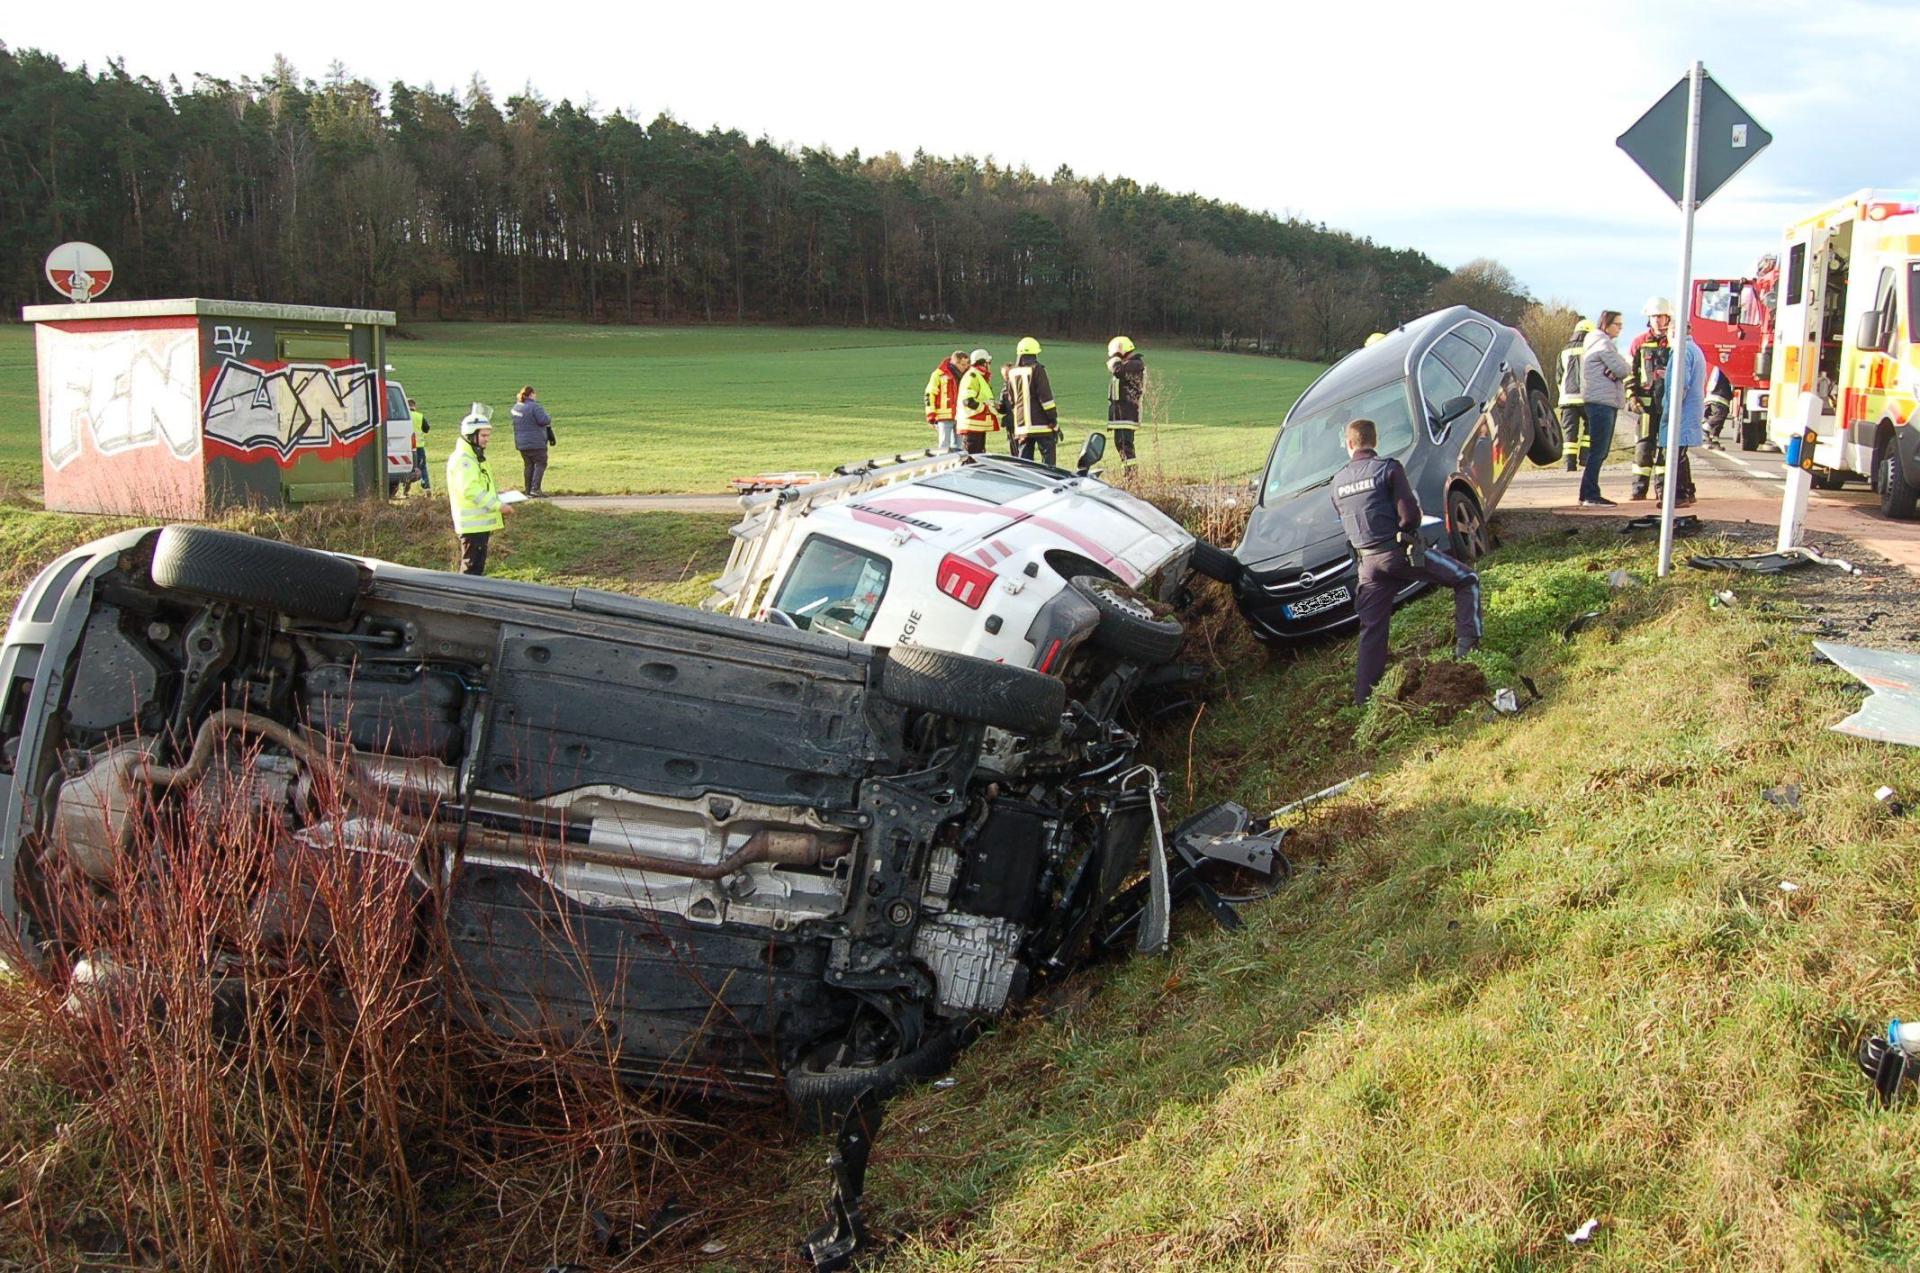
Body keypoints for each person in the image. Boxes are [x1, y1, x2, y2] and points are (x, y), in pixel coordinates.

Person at [1330, 417, 1481, 706]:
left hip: (1367, 567)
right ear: (1374, 441)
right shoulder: (1388, 469)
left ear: (1349, 444)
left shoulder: (1337, 482)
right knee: (1467, 580)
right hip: (1398, 554)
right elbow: (1410, 516)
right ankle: (1468, 651)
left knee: (1372, 631)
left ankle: (1363, 701)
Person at [1577, 311, 1630, 507]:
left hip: (1599, 401)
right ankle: (1590, 494)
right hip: (1602, 402)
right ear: (1606, 325)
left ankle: (1587, 492)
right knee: (1599, 450)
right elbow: (1624, 370)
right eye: (1617, 324)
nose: (1620, 328)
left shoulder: (1596, 344)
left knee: (1598, 450)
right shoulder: (1603, 344)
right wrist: (1618, 369)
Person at [447, 404, 507, 576]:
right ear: (471, 435)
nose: (487, 439)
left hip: (478, 525)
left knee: (474, 570)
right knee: (471, 571)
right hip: (472, 526)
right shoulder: (464, 460)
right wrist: (498, 505)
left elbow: (481, 486)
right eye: (483, 435)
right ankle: (463, 602)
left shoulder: (473, 457)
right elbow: (471, 490)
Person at [1626, 297, 1674, 500]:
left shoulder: (1674, 342)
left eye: (1661, 316)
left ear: (1668, 318)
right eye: (1654, 316)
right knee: (1644, 447)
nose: (1657, 320)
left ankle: (1662, 489)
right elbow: (1630, 372)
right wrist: (1631, 395)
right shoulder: (1639, 342)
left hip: (1668, 405)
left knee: (1665, 447)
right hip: (1646, 405)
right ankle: (1639, 488)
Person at [1659, 334, 1706, 507]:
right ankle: (1688, 490)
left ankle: (1678, 495)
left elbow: (1680, 384)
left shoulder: (1682, 351)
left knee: (1674, 452)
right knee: (1680, 452)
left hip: (1682, 409)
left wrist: (1671, 408)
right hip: (1690, 408)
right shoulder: (1693, 349)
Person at [1000, 336, 1060, 465]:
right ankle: (1049, 480)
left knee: (1024, 461)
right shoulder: (1037, 369)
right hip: (1041, 424)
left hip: (1022, 425)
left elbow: (1011, 399)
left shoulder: (1012, 373)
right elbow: (1045, 397)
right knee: (1048, 459)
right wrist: (1053, 418)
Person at [1557, 319, 1594, 473]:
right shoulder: (1592, 349)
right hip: (1588, 397)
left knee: (1569, 433)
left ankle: (1569, 464)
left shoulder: (1563, 351)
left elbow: (1559, 376)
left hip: (1567, 399)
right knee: (1590, 429)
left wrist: (1562, 393)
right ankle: (1585, 459)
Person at [510, 385, 554, 498]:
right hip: (536, 442)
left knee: (528, 465)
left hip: (521, 443)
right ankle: (536, 489)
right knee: (540, 463)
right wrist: (549, 416)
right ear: (531, 394)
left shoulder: (516, 407)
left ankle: (528, 490)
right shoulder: (535, 407)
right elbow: (544, 420)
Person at [1107, 336, 1144, 467]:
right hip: (1121, 414)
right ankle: (1129, 475)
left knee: (1125, 445)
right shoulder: (1129, 365)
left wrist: (1115, 360)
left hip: (1127, 414)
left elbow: (1117, 370)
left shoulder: (1135, 364)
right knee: (1121, 444)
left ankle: (1131, 477)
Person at [955, 350, 1001, 454]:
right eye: (989, 363)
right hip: (972, 424)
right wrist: (985, 408)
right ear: (984, 363)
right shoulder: (972, 376)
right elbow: (968, 401)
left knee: (978, 456)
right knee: (971, 457)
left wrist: (992, 405)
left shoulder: (978, 376)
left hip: (977, 425)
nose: (990, 366)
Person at [924, 349, 967, 452]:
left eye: (966, 364)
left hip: (960, 416)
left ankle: (957, 467)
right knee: (944, 447)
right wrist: (931, 414)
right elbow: (929, 394)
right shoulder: (938, 374)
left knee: (959, 447)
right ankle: (943, 467)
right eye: (963, 364)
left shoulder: (967, 374)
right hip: (944, 416)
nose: (966, 367)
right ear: (955, 363)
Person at [1703, 366, 1734, 450]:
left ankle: (1714, 440)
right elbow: (1714, 379)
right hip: (1718, 395)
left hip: (1719, 395)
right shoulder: (1720, 368)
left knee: (1720, 421)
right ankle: (1706, 428)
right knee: (1720, 415)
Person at [407, 397, 431, 494]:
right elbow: (426, 429)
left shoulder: (404, 416)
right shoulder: (419, 416)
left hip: (407, 447)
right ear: (414, 406)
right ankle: (426, 488)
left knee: (407, 468)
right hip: (419, 447)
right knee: (422, 468)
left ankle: (405, 490)